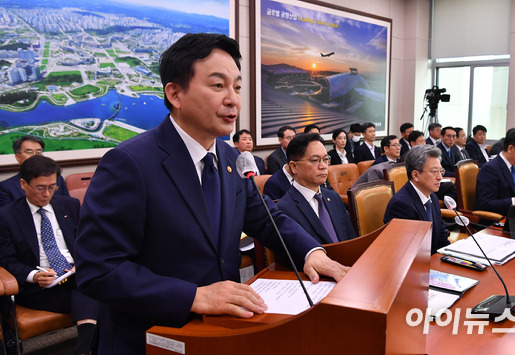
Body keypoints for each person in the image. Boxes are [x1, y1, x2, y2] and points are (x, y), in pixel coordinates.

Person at [74, 33, 348, 353]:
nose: (233, 99)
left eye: (237, 86)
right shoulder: (129, 163)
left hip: (222, 332)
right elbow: (99, 269)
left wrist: (312, 253)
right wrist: (194, 296)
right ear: (175, 93)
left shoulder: (229, 158)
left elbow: (265, 216)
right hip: (155, 338)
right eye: (218, 86)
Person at [0, 155, 99, 355]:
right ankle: (87, 347)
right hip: (40, 285)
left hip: (75, 274)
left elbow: (85, 242)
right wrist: (34, 276)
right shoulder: (7, 216)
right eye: (40, 187)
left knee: (93, 283)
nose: (47, 194)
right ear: (23, 184)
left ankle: (84, 348)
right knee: (96, 294)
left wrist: (82, 263)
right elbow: (6, 260)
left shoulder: (69, 205)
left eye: (52, 187)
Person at [277, 134, 356, 244]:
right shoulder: (284, 209)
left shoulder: (333, 198)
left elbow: (351, 239)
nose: (323, 166)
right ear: (294, 166)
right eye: (315, 160)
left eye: (325, 159)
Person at [383, 145, 451, 255]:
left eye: (441, 171)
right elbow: (409, 253)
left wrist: (451, 258)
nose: (440, 177)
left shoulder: (431, 196)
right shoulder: (401, 205)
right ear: (415, 175)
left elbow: (441, 236)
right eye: (434, 172)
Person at [0, 135, 69, 208]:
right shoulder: (6, 187)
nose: (35, 156)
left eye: (38, 152)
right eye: (29, 152)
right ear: (18, 157)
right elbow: (6, 217)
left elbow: (67, 206)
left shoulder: (57, 179)